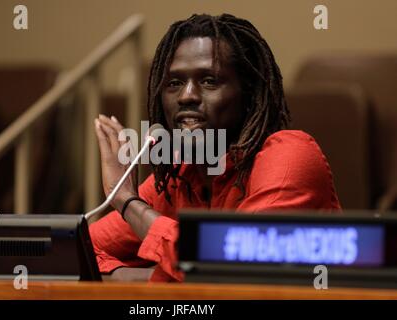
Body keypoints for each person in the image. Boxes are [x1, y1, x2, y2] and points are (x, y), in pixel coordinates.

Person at [89, 13, 341, 282]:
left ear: (249, 94)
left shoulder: (291, 156)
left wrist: (128, 202)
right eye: (174, 83)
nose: (187, 95)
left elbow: (231, 267)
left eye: (209, 80)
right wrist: (161, 277)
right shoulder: (177, 176)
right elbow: (78, 251)